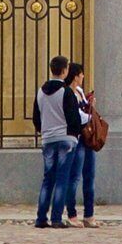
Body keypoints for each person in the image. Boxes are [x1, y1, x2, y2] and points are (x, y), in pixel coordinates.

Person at [33, 54, 82, 230]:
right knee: (62, 179)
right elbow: (74, 118)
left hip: (48, 139)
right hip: (65, 139)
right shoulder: (66, 92)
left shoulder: (40, 91)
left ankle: (41, 217)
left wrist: (45, 130)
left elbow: (36, 118)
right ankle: (56, 218)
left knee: (48, 179)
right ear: (64, 70)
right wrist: (74, 134)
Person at [65, 59, 100, 224]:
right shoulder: (68, 93)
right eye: (81, 74)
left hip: (87, 138)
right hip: (77, 137)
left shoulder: (78, 90)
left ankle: (89, 214)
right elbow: (77, 116)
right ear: (75, 76)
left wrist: (90, 104)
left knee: (89, 176)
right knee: (75, 177)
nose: (83, 76)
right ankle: (72, 213)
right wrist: (91, 117)